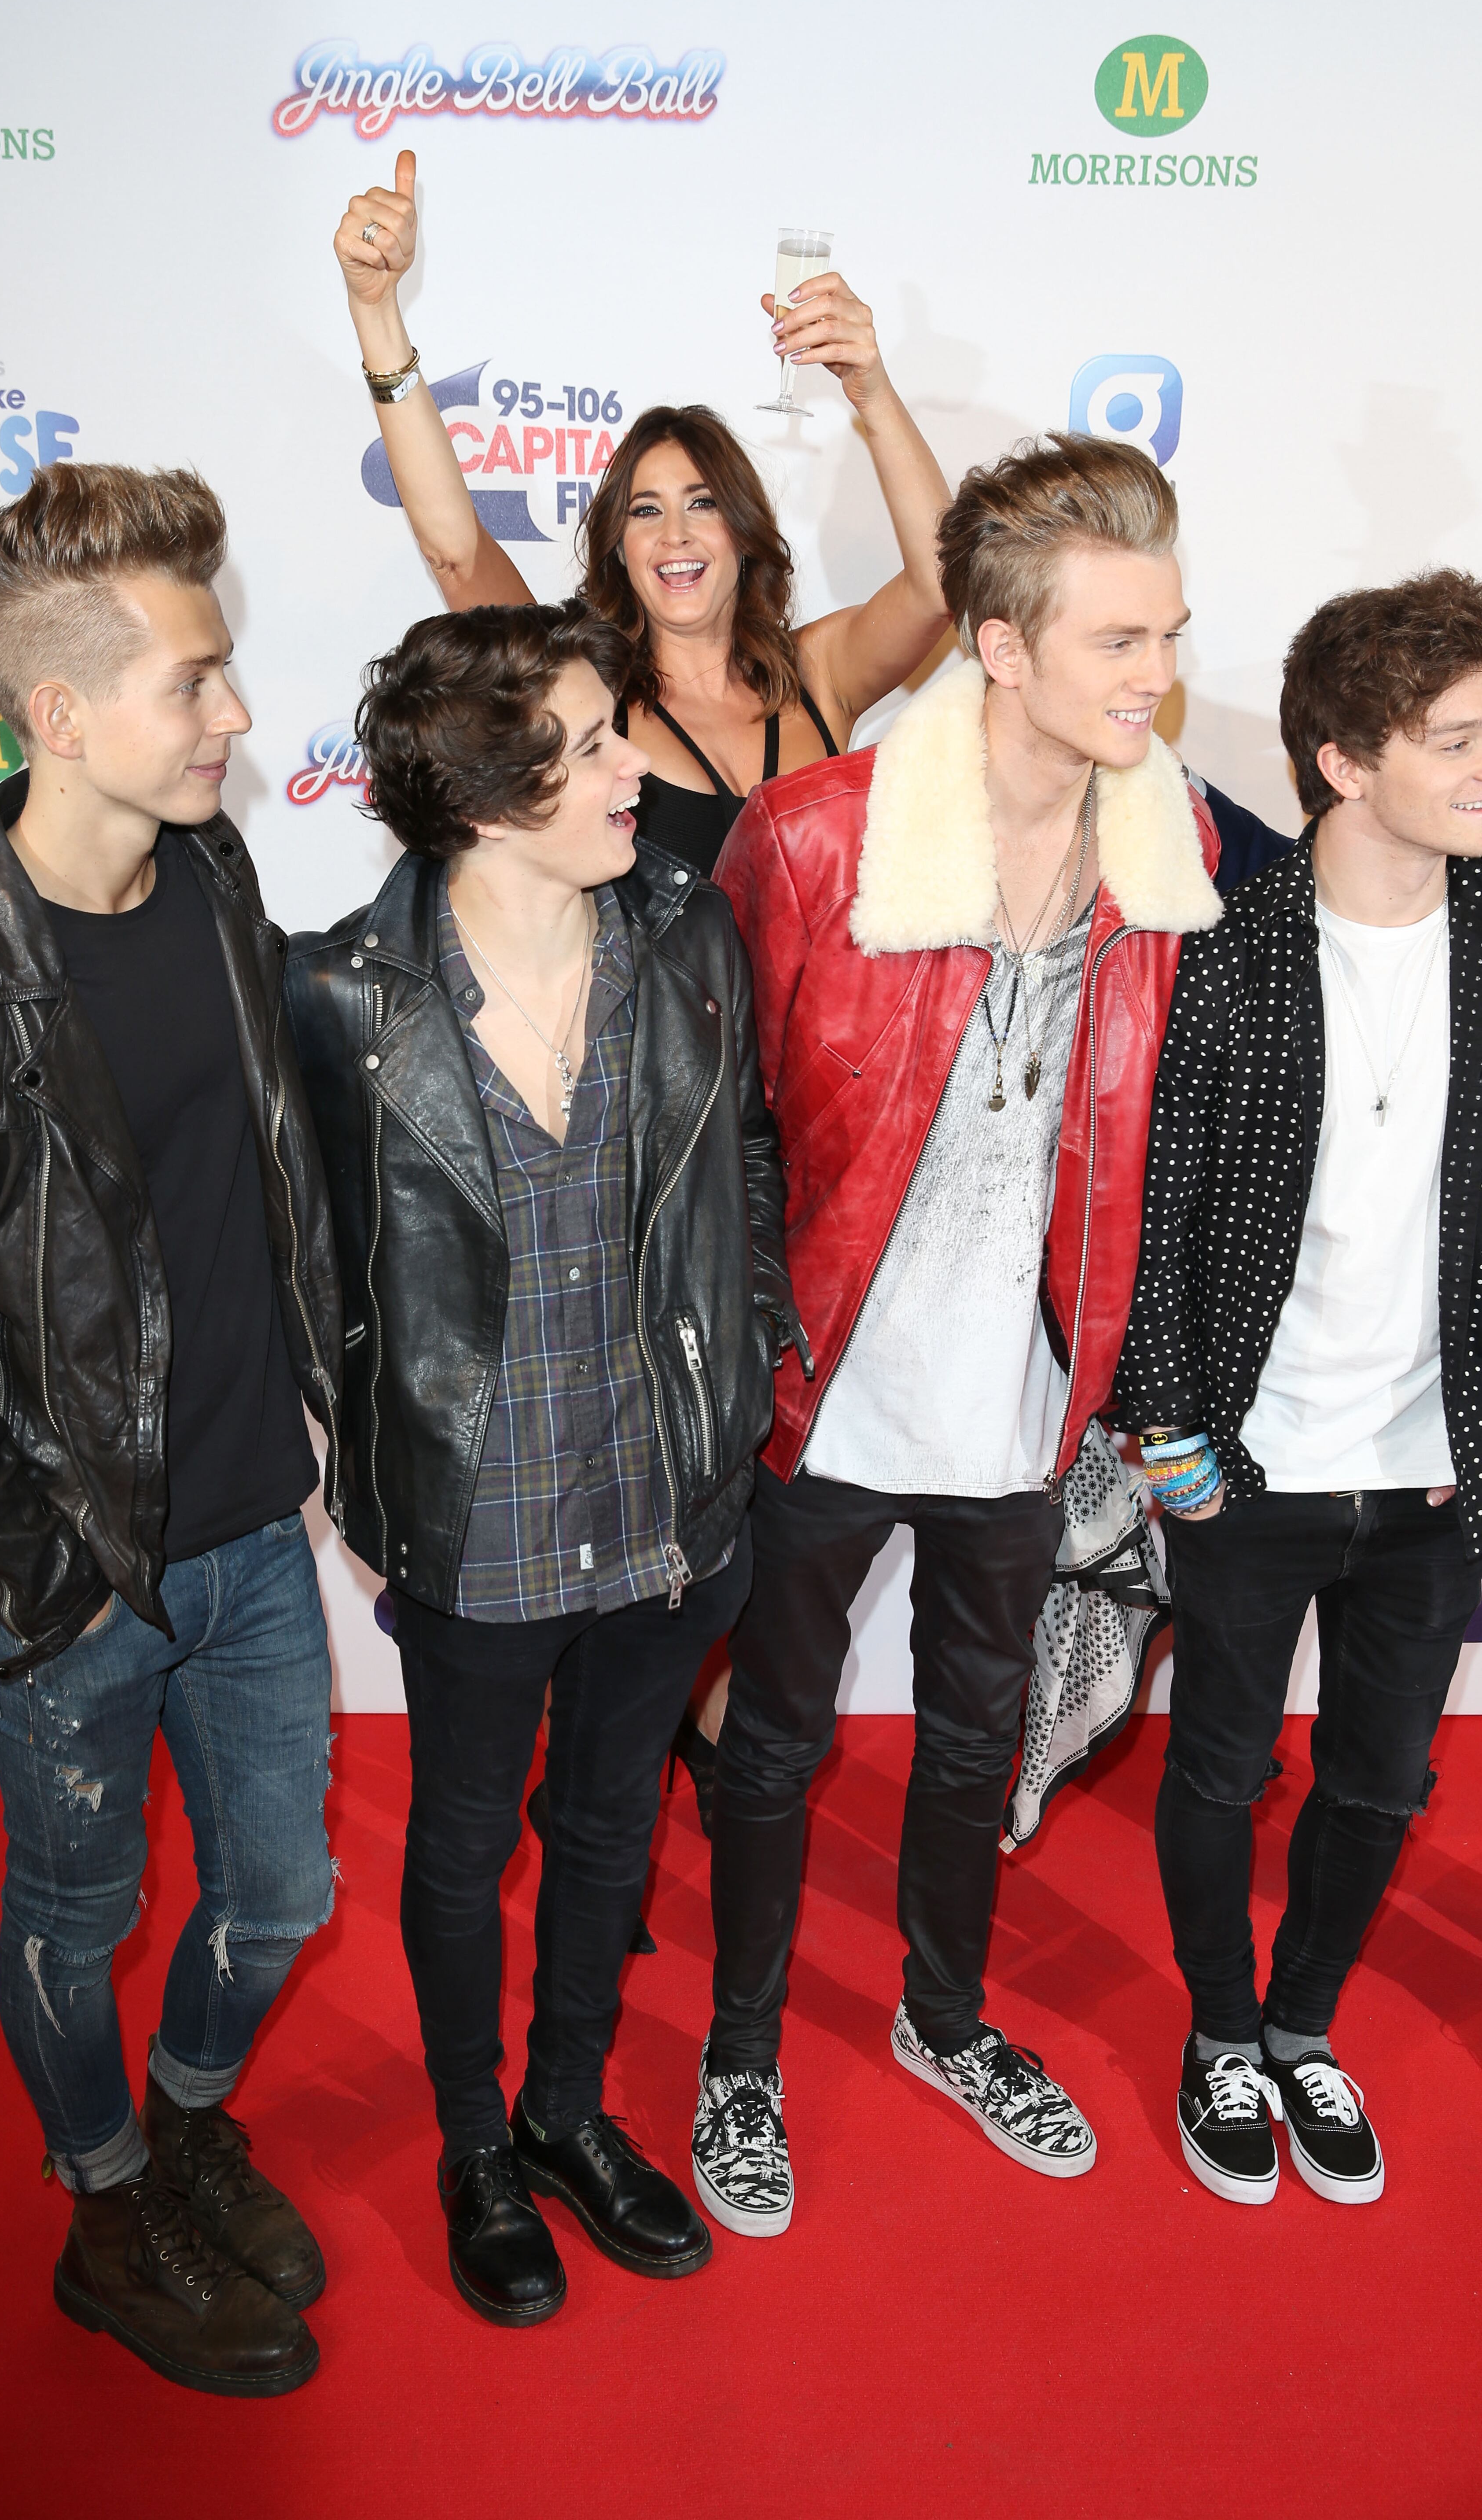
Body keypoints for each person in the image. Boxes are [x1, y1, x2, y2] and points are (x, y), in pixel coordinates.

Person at [0, 464, 344, 2396]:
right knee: (79, 1910)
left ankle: (187, 2119)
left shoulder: (214, 886)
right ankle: (107, 2203)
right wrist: (34, 1573)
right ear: (58, 714)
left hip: (256, 1534)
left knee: (279, 1889)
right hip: (77, 1578)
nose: (233, 721)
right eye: (196, 683)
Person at [334, 148, 952, 1805]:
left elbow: (961, 585)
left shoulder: (820, 678)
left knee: (745, 1484)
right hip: (647, 1132)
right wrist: (381, 320)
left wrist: (874, 380)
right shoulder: (590, 681)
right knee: (663, 1459)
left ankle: (663, 1740)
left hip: (816, 1128)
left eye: (702, 502)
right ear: (617, 540)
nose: (675, 532)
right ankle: (624, 1759)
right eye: (644, 507)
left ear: (749, 529)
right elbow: (456, 543)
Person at [689, 432, 1225, 2240]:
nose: (1160, 676)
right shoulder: (815, 837)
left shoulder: (1176, 847)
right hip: (820, 1396)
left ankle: (942, 2019)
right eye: (1119, 642)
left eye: (1169, 636)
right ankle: (740, 2064)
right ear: (1000, 647)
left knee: (976, 1737)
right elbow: (720, 1131)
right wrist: (752, 1353)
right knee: (769, 1745)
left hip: (1022, 1402)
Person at [284, 600, 806, 2325]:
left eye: (616, 732)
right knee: (460, 1847)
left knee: (604, 1831)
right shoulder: (341, 999)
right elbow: (302, 1261)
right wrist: (362, 1438)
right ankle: (471, 2148)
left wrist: (741, 1363)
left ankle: (567, 2112)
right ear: (491, 798)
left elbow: (744, 1150)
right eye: (588, 748)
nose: (635, 770)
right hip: (475, 1515)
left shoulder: (684, 936)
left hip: (669, 1490)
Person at [1114, 569, 1482, 2207]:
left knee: (1385, 1778)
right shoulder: (1222, 949)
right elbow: (1149, 1200)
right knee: (1217, 1767)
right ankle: (1217, 2036)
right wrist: (1167, 1425)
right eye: (1458, 741)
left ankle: (1307, 2025)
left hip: (1434, 1474)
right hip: (1249, 1465)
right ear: (1344, 760)